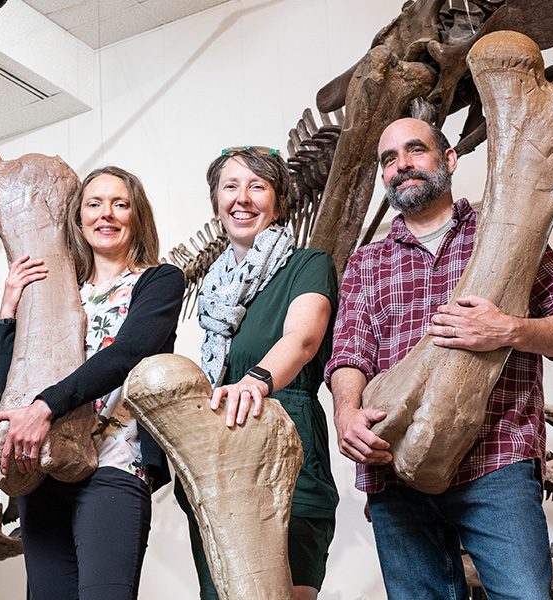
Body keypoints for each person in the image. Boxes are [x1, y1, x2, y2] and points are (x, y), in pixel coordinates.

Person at [326, 117, 553, 599]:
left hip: (496, 462)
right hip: (393, 468)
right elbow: (349, 353)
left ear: (448, 160)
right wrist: (347, 412)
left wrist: (510, 329)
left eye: (415, 150)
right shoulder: (367, 262)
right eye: (389, 159)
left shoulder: (508, 236)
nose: (402, 165)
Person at [0, 166, 185, 600]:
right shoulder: (60, 291)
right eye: (94, 204)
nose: (106, 214)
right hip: (43, 474)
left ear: (138, 216)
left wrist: (45, 406)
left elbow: (128, 353)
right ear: (78, 220)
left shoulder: (158, 282)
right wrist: (7, 314)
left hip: (115, 465)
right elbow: (13, 382)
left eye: (120, 203)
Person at [179, 146, 339, 600]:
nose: (242, 198)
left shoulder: (307, 265)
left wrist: (258, 380)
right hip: (219, 459)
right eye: (230, 187)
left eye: (257, 186)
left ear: (278, 200)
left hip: (287, 441)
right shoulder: (214, 293)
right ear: (216, 203)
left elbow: (302, 339)